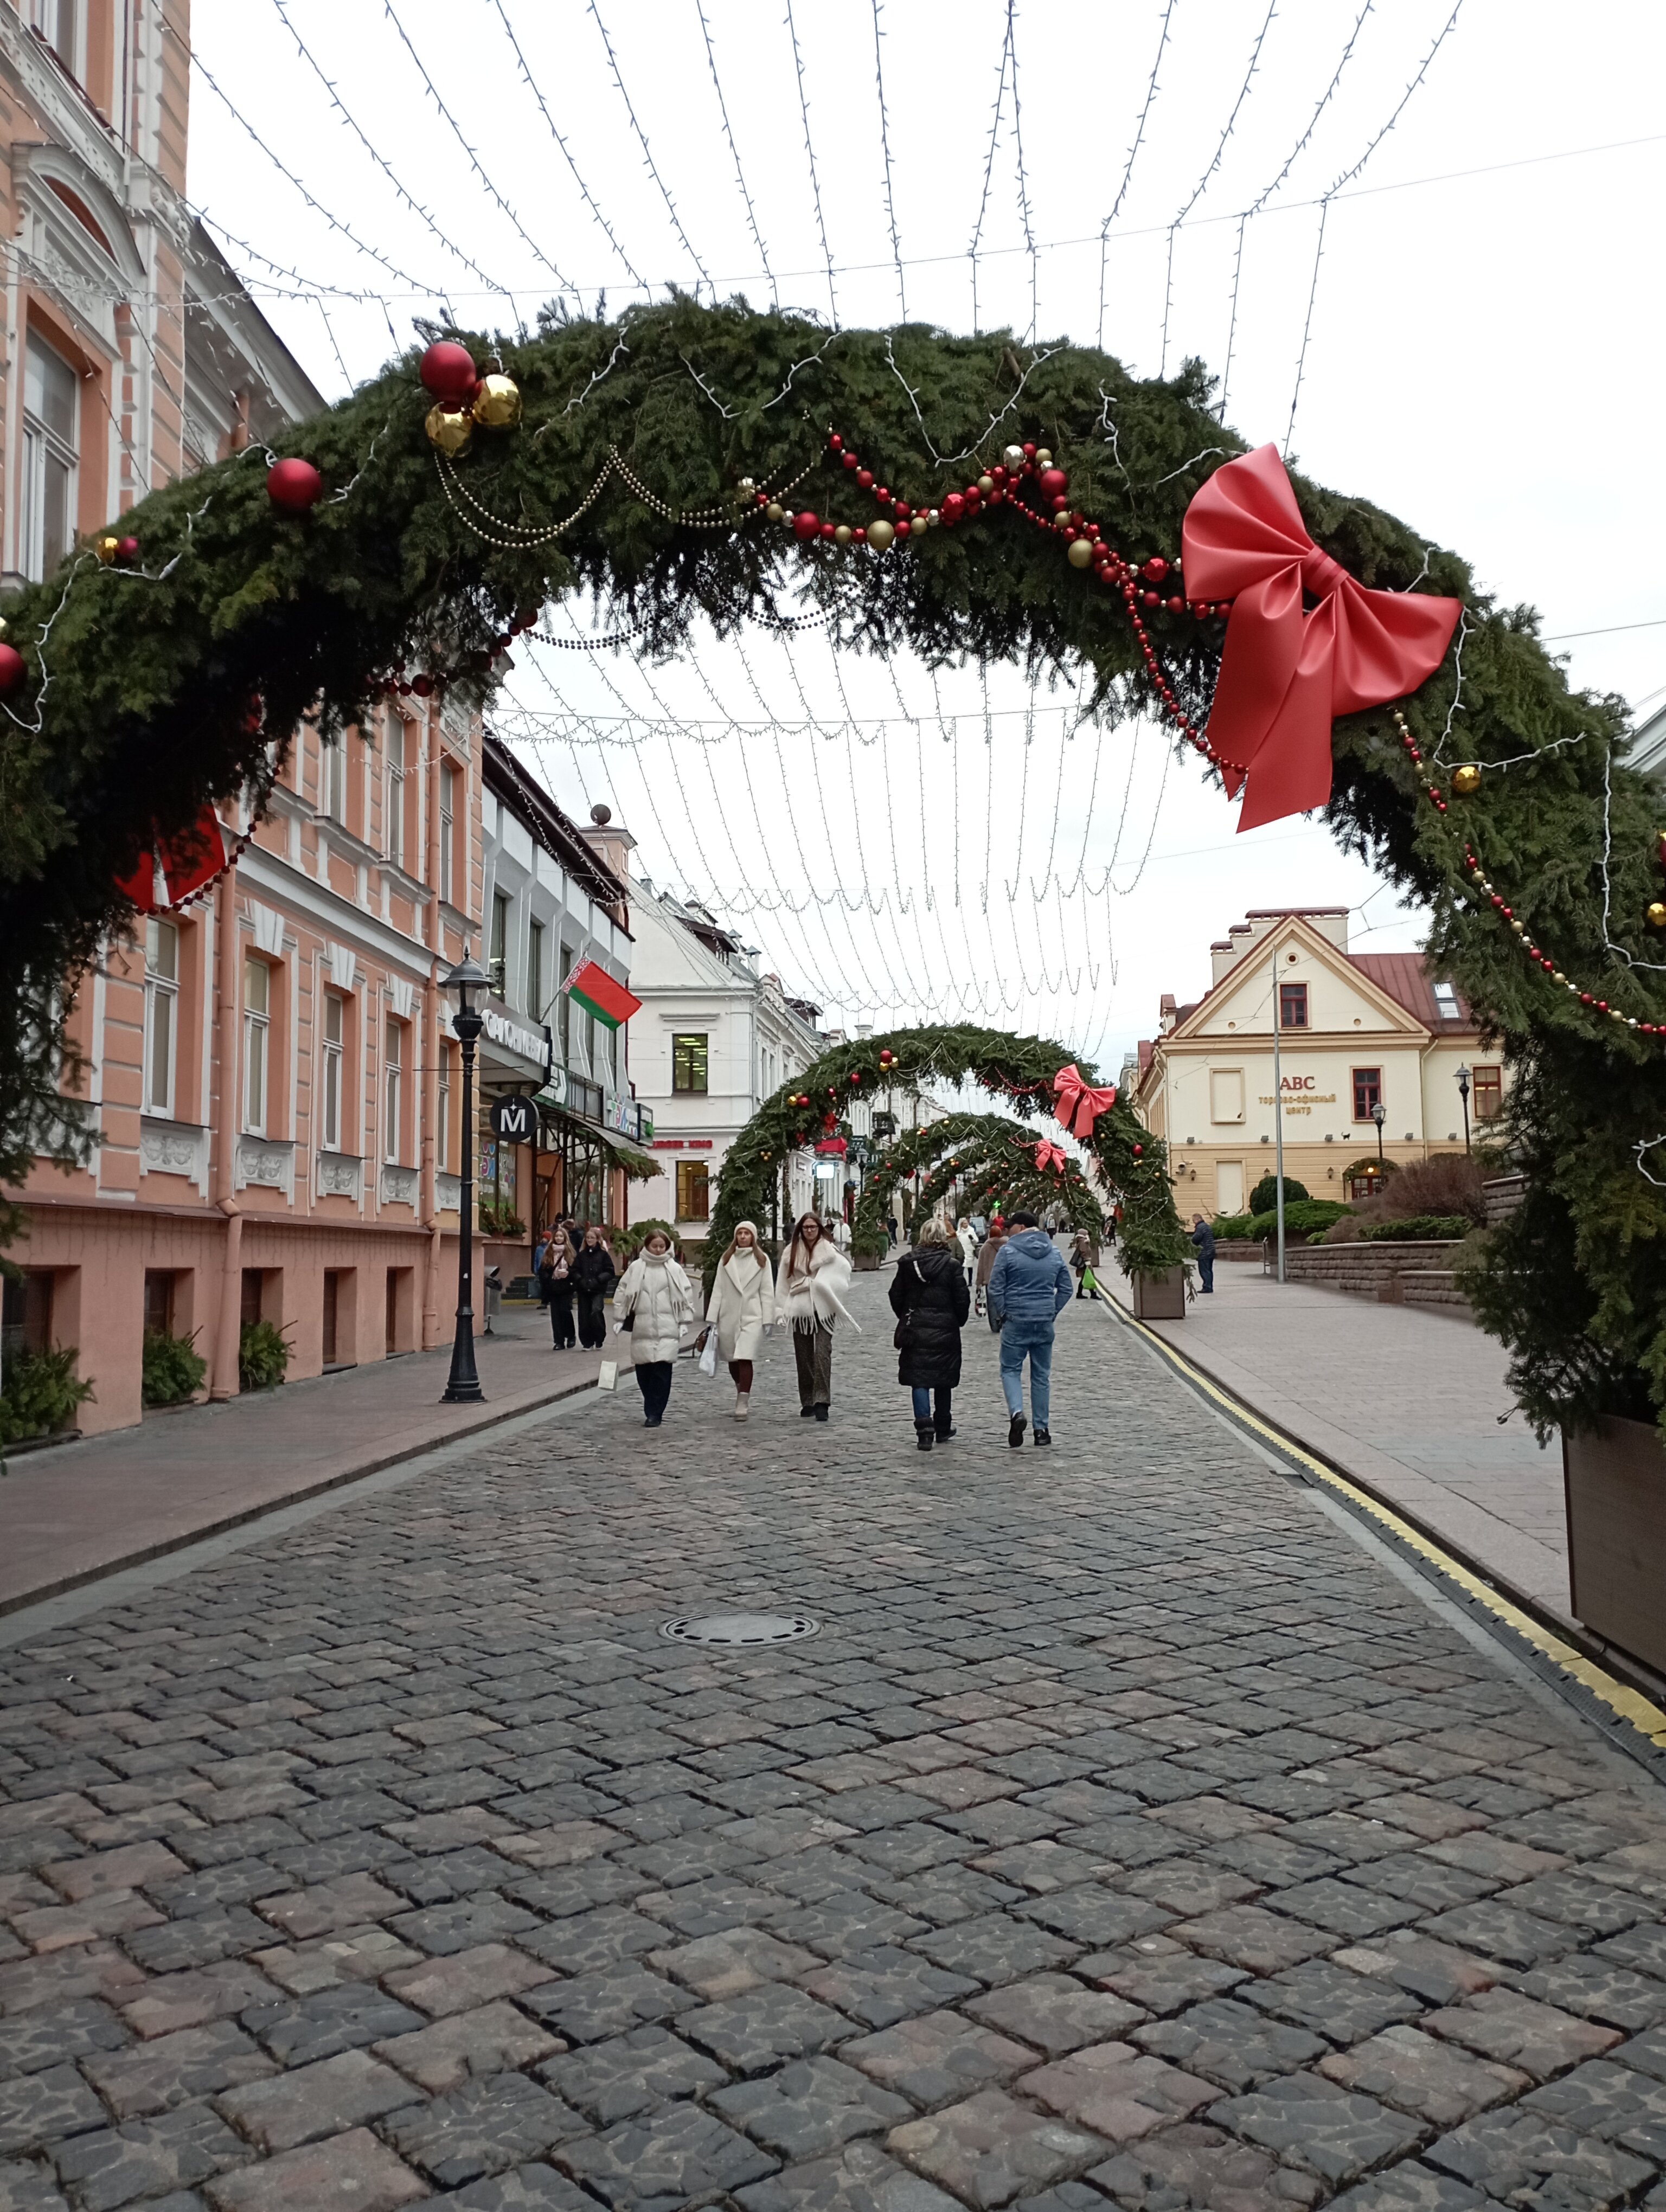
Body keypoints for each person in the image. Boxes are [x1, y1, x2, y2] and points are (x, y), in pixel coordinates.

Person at [985, 1209, 1073, 1448]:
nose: (1008, 1230)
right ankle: (1042, 1430)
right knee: (1041, 1376)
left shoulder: (1008, 1252)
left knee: (1011, 1370)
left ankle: (1017, 1413)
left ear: (1022, 1228)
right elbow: (1066, 1288)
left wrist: (1004, 1313)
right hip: (1044, 1323)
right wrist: (1051, 1310)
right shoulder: (1054, 1253)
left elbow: (995, 1288)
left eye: (1011, 1226)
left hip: (1016, 1321)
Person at [889, 1217, 970, 1450]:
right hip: (946, 1329)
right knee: (943, 1378)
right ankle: (943, 1426)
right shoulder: (952, 1265)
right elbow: (962, 1298)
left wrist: (906, 1316)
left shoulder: (908, 1264)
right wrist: (958, 1320)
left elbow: (895, 1295)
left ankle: (924, 1430)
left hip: (916, 1328)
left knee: (920, 1379)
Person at [777, 1212, 859, 1422]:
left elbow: (842, 1274)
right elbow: (783, 1283)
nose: (810, 1231)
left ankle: (822, 1401)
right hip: (800, 1309)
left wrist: (826, 1288)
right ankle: (807, 1401)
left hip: (824, 1307)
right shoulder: (791, 1252)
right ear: (801, 1230)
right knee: (803, 1356)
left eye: (813, 1227)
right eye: (806, 1228)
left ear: (820, 1228)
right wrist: (780, 1309)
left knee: (823, 1353)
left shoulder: (829, 1251)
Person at [616, 1228, 695, 1426]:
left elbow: (686, 1294)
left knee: (662, 1372)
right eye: (655, 1246)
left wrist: (684, 1322)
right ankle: (650, 1403)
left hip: (667, 1328)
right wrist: (619, 1318)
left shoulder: (674, 1269)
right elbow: (623, 1292)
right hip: (642, 1327)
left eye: (662, 1246)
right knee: (643, 1372)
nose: (659, 1250)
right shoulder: (636, 1268)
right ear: (647, 1246)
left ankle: (655, 1412)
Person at [702, 1219, 775, 1419]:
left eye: (747, 1233)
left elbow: (767, 1291)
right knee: (733, 1360)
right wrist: (712, 1317)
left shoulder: (762, 1260)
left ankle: (743, 1401)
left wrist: (768, 1318)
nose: (743, 1237)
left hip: (752, 1315)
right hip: (729, 1315)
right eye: (740, 1233)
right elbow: (718, 1289)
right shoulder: (727, 1259)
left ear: (753, 1237)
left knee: (745, 1356)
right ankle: (740, 1388)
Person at [571, 1224, 617, 1349]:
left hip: (597, 1289)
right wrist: (580, 1280)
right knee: (584, 1316)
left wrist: (598, 1280)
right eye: (588, 1238)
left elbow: (610, 1271)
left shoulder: (603, 1255)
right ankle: (587, 1342)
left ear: (597, 1239)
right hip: (584, 1289)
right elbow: (574, 1270)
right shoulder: (581, 1256)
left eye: (592, 1238)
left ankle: (599, 1337)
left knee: (596, 1312)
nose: (589, 1240)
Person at [538, 1225, 576, 1350]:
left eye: (561, 1236)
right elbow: (543, 1270)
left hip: (566, 1287)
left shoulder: (570, 1252)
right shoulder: (548, 1252)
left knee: (565, 1311)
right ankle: (559, 1341)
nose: (559, 1238)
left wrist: (569, 1273)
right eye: (557, 1236)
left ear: (565, 1238)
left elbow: (576, 1269)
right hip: (553, 1287)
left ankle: (571, 1336)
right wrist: (548, 1280)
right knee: (555, 1315)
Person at [974, 1217, 1007, 1332]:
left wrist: (979, 1282)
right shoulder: (1007, 1246)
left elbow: (981, 1266)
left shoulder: (985, 1247)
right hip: (1004, 1279)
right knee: (1004, 1300)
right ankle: (1003, 1320)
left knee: (992, 1304)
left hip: (989, 1279)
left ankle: (994, 1325)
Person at [1069, 1227, 1101, 1300]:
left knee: (1086, 1278)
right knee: (1088, 1277)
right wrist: (1088, 1262)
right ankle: (1091, 1294)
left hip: (1085, 1262)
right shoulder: (1083, 1242)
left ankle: (1082, 1294)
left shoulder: (1082, 1241)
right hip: (1085, 1263)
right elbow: (1084, 1252)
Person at [1191, 1212, 1216, 1294]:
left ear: (1197, 1219)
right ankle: (1209, 1286)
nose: (1194, 1223)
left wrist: (1191, 1241)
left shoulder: (1200, 1227)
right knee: (1209, 1270)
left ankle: (1207, 1287)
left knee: (1204, 1271)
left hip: (1204, 1252)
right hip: (1211, 1251)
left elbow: (1196, 1239)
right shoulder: (1207, 1226)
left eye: (1194, 1221)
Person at [955, 1216, 979, 1287]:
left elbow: (976, 1241)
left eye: (967, 1223)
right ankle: (961, 1281)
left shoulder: (971, 1231)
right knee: (961, 1268)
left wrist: (972, 1239)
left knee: (970, 1267)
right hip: (962, 1252)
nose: (966, 1225)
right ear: (961, 1224)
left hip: (969, 1251)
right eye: (964, 1224)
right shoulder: (958, 1233)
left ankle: (970, 1281)